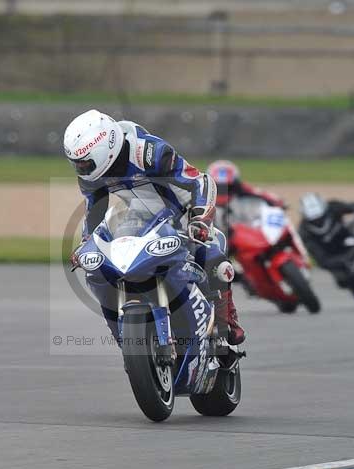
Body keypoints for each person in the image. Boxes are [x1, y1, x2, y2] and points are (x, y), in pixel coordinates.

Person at [65, 110, 245, 345]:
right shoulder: (91, 176)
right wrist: (86, 244)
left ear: (104, 150)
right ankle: (123, 336)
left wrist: (199, 220)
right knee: (99, 270)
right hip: (142, 218)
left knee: (213, 257)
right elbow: (95, 210)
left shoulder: (148, 152)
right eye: (77, 164)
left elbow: (199, 181)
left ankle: (226, 320)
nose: (82, 169)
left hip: (184, 212)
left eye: (86, 163)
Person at [207, 160, 286, 209]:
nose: (223, 190)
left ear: (235, 185)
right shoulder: (200, 194)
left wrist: (276, 202)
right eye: (218, 187)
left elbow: (260, 193)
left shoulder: (242, 189)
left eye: (229, 187)